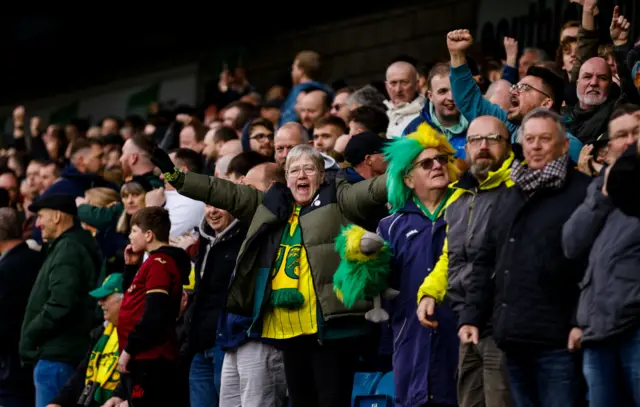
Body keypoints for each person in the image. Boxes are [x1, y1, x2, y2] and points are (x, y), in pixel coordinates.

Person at [150, 143, 387, 407]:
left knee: (331, 401)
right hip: (287, 329)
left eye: (309, 169)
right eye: (295, 170)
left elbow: (373, 190)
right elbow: (222, 191)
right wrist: (176, 177)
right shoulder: (273, 203)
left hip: (327, 328)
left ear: (322, 175)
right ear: (286, 179)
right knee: (300, 402)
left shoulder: (338, 196)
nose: (302, 175)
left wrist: (411, 163)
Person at [417, 116, 515, 407]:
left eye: (492, 140)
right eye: (475, 140)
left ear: (508, 145)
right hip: (466, 322)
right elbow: (451, 256)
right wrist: (429, 292)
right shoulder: (458, 196)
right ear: (466, 147)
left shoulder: (516, 188)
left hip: (502, 324)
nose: (483, 147)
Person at [102, 207, 191, 407]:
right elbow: (132, 301)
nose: (129, 236)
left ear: (148, 235)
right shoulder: (151, 262)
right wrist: (131, 267)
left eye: (134, 231)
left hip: (152, 358)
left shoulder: (159, 262)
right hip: (143, 356)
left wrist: (129, 350)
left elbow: (153, 314)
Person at [20, 194, 102, 407]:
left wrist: (30, 334)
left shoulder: (69, 248)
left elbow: (61, 302)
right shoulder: (67, 245)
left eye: (40, 217)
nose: (37, 224)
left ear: (57, 216)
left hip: (58, 357)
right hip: (60, 354)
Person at [46, 274, 125, 407]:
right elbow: (82, 372)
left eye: (105, 297)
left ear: (124, 300)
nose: (100, 303)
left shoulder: (136, 337)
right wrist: (58, 402)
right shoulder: (101, 333)